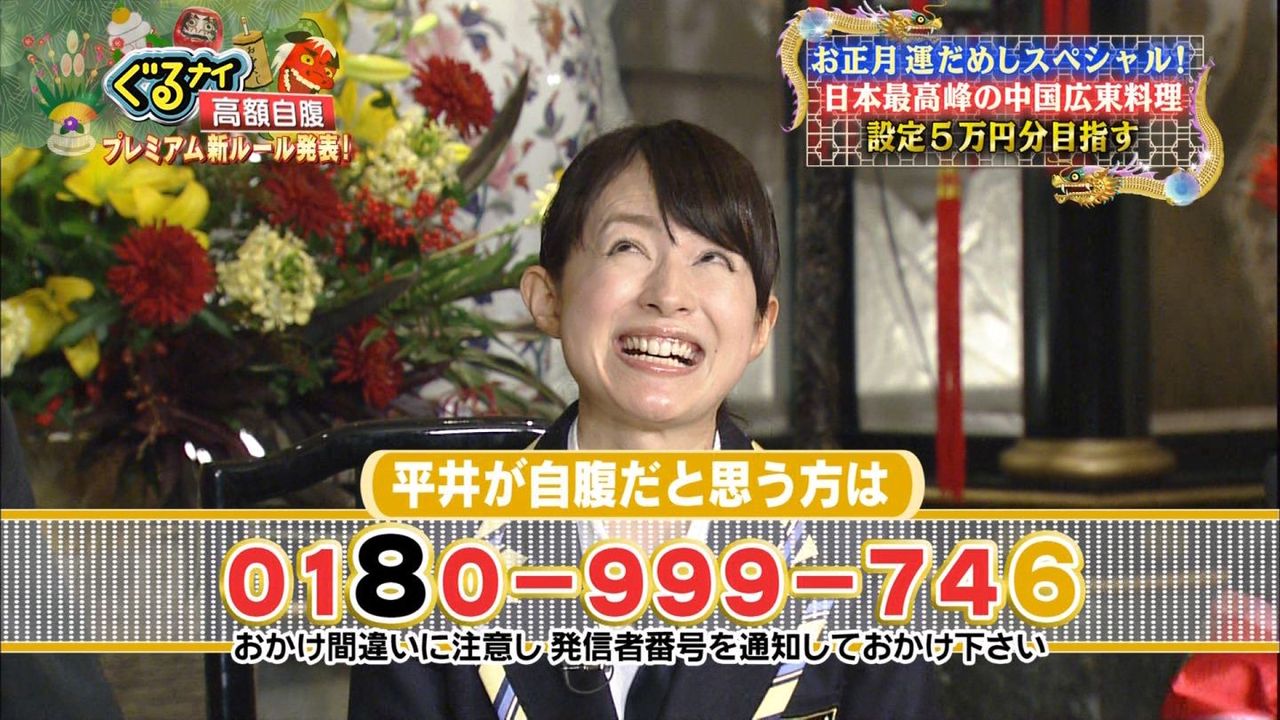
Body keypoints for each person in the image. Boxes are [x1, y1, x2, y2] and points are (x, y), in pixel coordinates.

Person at [349, 120, 939, 719]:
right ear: (548, 298)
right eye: (627, 248)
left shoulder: (864, 560)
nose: (669, 294)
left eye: (712, 257)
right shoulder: (416, 555)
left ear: (761, 325)